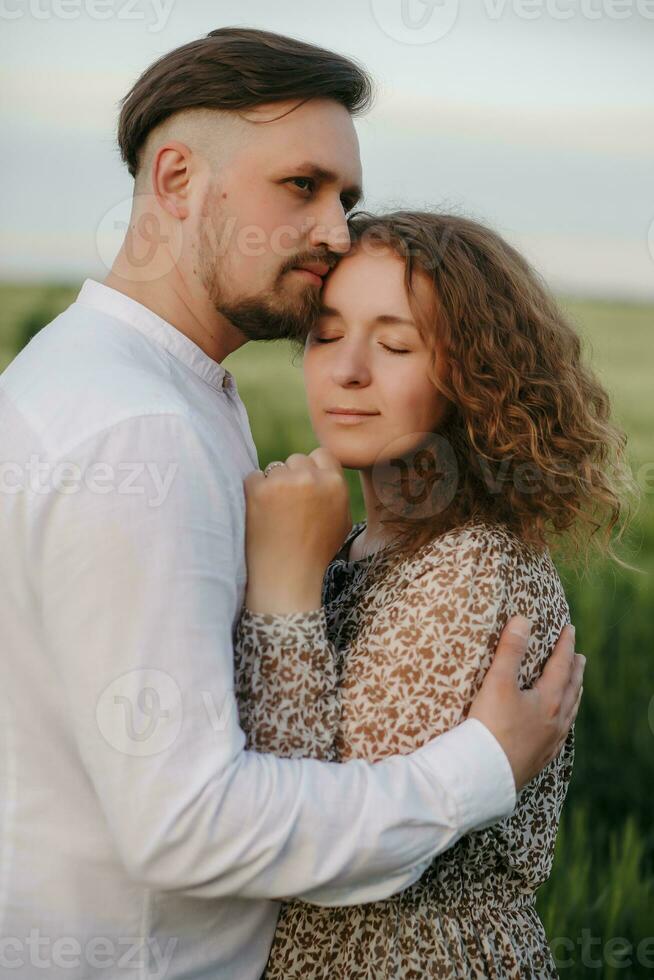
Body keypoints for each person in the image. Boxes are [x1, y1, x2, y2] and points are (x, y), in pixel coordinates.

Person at [0, 30, 583, 980]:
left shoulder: (119, 384)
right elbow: (187, 826)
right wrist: (479, 769)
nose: (335, 231)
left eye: (344, 199)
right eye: (301, 186)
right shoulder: (138, 430)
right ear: (179, 178)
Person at [235, 210, 630, 978]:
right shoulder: (361, 543)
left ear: (474, 377)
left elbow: (310, 842)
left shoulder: (472, 566)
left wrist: (283, 591)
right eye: (326, 333)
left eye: (394, 343)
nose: (347, 369)